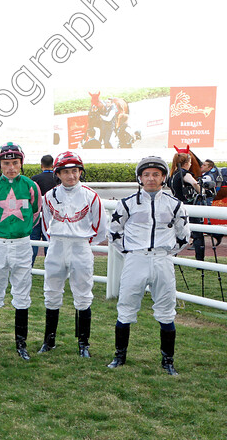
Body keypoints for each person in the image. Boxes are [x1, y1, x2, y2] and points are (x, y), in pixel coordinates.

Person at [107, 156, 190, 375]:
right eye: (146, 175)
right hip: (136, 260)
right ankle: (119, 356)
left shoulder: (175, 204)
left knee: (166, 310)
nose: (151, 179)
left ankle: (168, 361)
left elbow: (183, 236)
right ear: (140, 177)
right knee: (126, 307)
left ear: (164, 177)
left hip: (162, 260)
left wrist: (164, 253)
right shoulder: (127, 203)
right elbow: (114, 232)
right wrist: (131, 252)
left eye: (156, 174)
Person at [37, 151, 107, 358]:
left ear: (80, 172)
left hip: (81, 246)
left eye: (75, 171)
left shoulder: (91, 195)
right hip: (57, 246)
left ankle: (83, 343)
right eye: (66, 172)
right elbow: (46, 224)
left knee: (83, 294)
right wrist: (58, 241)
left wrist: (83, 242)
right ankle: (49, 341)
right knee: (51, 292)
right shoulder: (49, 196)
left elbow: (100, 227)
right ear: (58, 174)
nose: (71, 176)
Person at [0, 143, 41, 361]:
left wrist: (20, 232)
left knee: (22, 293)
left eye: (15, 163)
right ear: (0, 164)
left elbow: (35, 213)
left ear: (21, 163)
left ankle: (21, 343)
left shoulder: (31, 186)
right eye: (6, 163)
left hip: (23, 244)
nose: (11, 168)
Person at [169, 152, 204, 262]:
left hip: (176, 206)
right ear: (186, 163)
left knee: (175, 234)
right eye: (189, 162)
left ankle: (172, 258)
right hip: (188, 206)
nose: (190, 165)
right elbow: (194, 183)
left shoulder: (172, 175)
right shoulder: (184, 174)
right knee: (198, 233)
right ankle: (199, 261)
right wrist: (202, 192)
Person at [30, 155, 57, 266]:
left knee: (33, 241)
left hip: (37, 214)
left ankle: (29, 267)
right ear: (53, 165)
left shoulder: (34, 179)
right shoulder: (58, 178)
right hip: (52, 215)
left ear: (41, 165)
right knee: (49, 241)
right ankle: (50, 268)